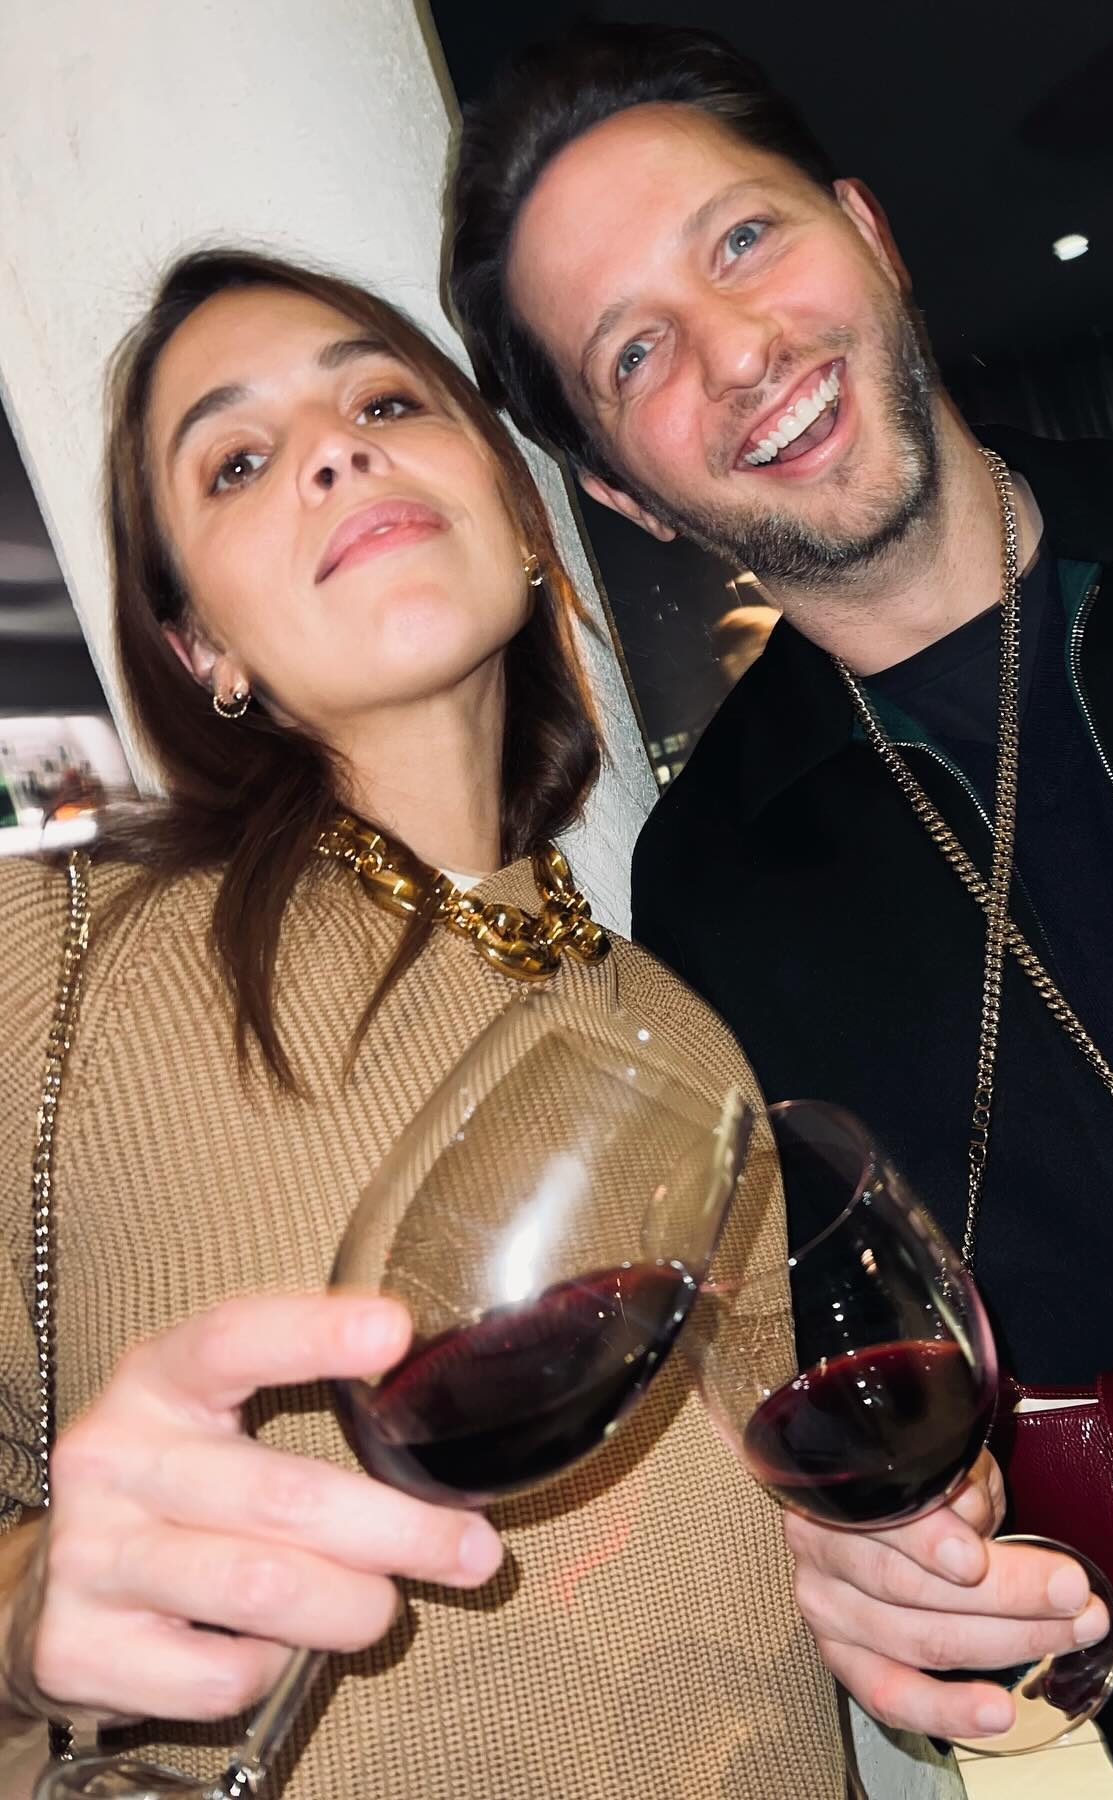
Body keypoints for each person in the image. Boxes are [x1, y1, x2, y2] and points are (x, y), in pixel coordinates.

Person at [445, 23, 1113, 1798]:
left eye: (744, 239)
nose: (737, 350)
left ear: (869, 230)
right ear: (616, 487)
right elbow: (850, 1380)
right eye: (635, 351)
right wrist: (888, 1585)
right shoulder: (712, 890)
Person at [0, 248, 891, 1798]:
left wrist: (898, 1571)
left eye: (386, 403)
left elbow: (770, 1519)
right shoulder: (50, 948)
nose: (337, 453)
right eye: (238, 461)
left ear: (521, 518)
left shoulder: (681, 1025)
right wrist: (21, 1611)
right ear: (200, 648)